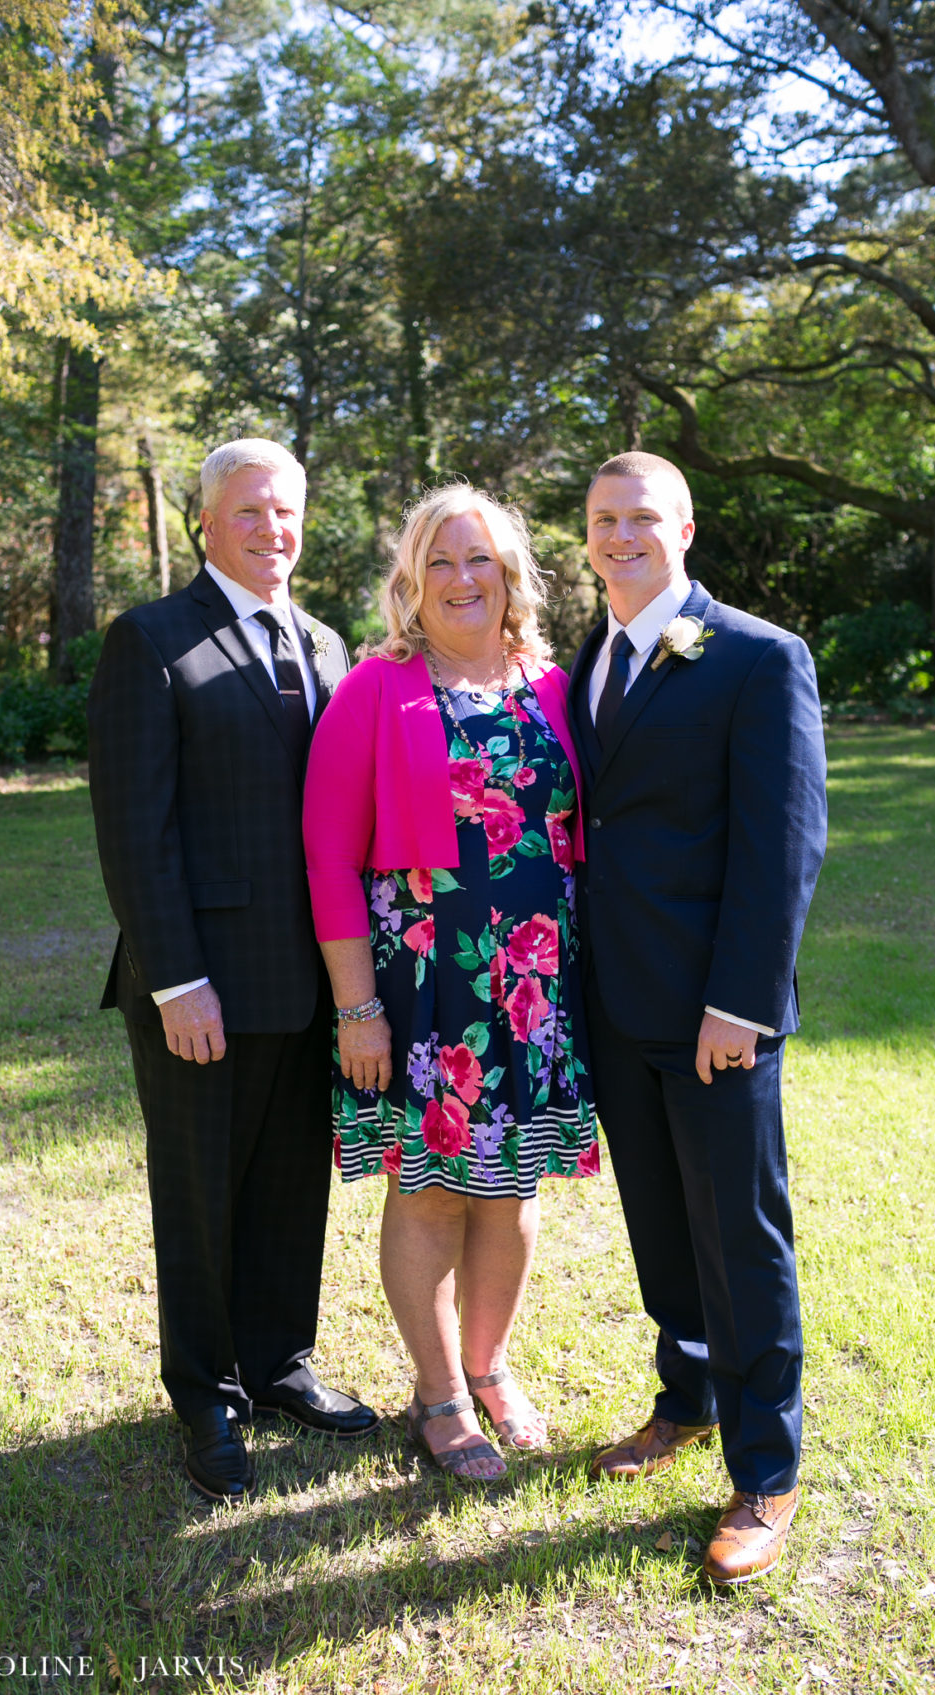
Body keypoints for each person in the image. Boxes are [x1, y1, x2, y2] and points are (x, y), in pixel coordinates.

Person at [87, 437, 379, 1504]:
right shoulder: (151, 640)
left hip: (313, 978)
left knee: (292, 1182)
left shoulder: (327, 642)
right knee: (200, 1191)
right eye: (249, 510)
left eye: (286, 510)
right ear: (207, 521)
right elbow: (134, 829)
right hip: (201, 983)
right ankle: (205, 1392)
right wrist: (175, 979)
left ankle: (278, 1362)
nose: (271, 529)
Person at [303, 485, 598, 1481]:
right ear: (411, 580)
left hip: (534, 983)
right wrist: (358, 1009)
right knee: (429, 1190)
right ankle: (438, 1399)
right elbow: (328, 857)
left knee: (510, 1187)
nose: (461, 578)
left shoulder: (549, 683)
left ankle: (489, 1367)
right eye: (439, 560)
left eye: (479, 559)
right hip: (425, 985)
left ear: (510, 576)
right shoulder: (374, 689)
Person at [568, 451, 827, 1583]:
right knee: (661, 1226)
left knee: (740, 1237)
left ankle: (765, 1470)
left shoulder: (759, 656)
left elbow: (784, 843)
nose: (619, 535)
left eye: (641, 517)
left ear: (682, 529)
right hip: (613, 1001)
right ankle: (683, 1401)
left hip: (714, 1011)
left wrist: (741, 1004)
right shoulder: (588, 656)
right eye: (602, 519)